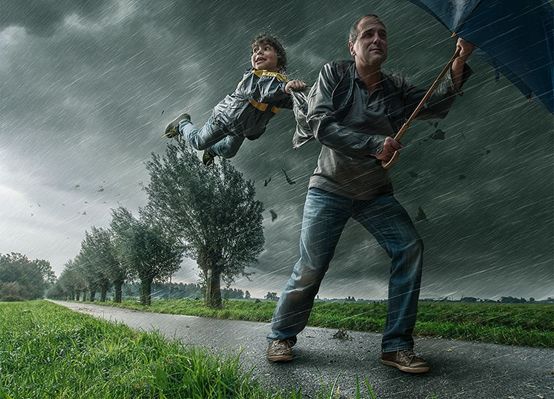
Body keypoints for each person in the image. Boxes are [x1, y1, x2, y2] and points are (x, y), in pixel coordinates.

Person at [266, 14, 473, 374]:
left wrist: (460, 58)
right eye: (368, 34)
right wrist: (374, 143)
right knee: (311, 266)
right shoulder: (335, 74)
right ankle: (281, 335)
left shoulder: (395, 88)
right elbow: (320, 125)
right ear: (353, 45)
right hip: (329, 187)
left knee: (409, 247)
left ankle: (396, 346)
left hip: (375, 193)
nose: (377, 39)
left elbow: (435, 105)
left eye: (382, 35)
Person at [164, 33, 306, 165]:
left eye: (266, 49)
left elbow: (291, 102)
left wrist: (304, 97)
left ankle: (213, 150)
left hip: (243, 129)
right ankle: (183, 124)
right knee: (199, 142)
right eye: (255, 50)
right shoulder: (253, 77)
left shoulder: (282, 84)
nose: (258, 52)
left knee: (229, 152)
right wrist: (284, 88)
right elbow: (261, 90)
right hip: (224, 119)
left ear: (279, 58)